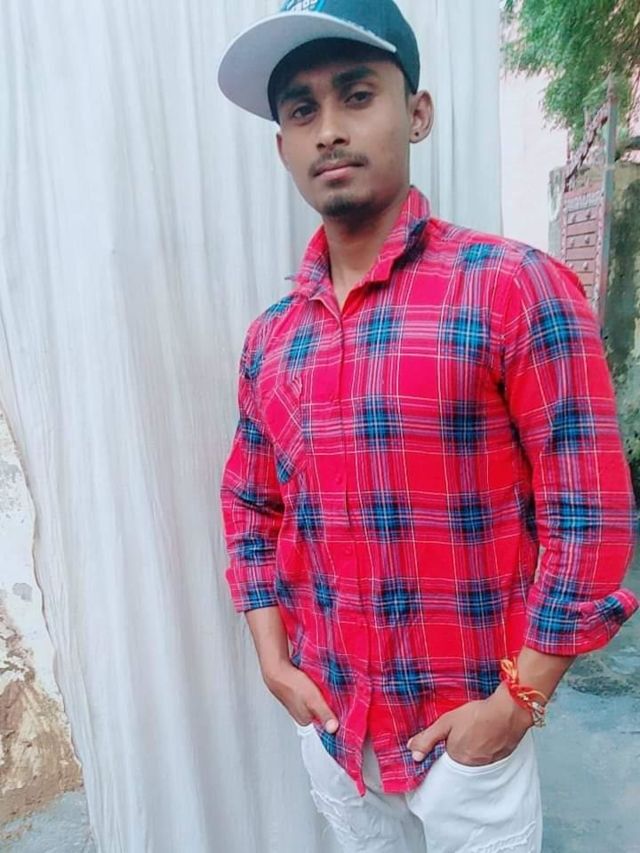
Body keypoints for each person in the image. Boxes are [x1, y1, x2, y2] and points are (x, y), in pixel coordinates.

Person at [217, 2, 638, 850]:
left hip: (468, 742)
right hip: (336, 733)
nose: (329, 129)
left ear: (417, 113)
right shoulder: (273, 339)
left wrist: (516, 703)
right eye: (301, 110)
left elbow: (589, 513)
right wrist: (273, 660)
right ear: (282, 146)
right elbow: (250, 506)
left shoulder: (512, 287)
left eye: (356, 94)